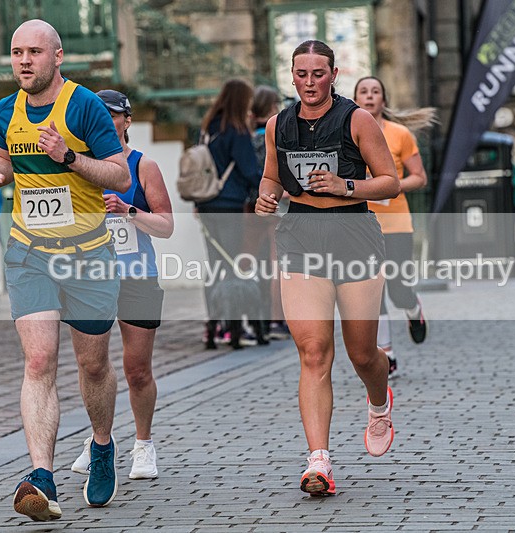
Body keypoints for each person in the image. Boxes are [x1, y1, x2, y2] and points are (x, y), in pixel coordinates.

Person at [0, 19, 130, 521]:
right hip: (30, 251)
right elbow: (5, 159)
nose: (24, 61)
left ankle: (103, 443)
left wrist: (68, 157)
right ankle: (41, 477)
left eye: (34, 53)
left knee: (92, 366)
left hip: (87, 252)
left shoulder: (84, 106)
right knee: (39, 362)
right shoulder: (6, 109)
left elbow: (119, 173)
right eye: (17, 52)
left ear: (57, 57)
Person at [255, 40, 400, 496]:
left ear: (334, 74)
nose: (310, 82)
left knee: (362, 354)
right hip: (300, 236)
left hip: (354, 233)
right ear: (292, 75)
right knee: (314, 351)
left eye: (319, 74)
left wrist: (344, 184)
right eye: (302, 74)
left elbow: (390, 183)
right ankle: (319, 459)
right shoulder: (277, 125)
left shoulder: (357, 119)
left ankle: (379, 402)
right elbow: (272, 176)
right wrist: (267, 196)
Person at [70, 89, 174, 480]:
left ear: (127, 121)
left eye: (112, 115)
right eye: (97, 114)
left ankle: (144, 445)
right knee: (92, 365)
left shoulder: (142, 165)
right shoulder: (78, 164)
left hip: (137, 277)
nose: (105, 121)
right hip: (90, 277)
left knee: (137, 369)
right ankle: (100, 440)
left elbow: (166, 226)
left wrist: (129, 211)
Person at [353, 76, 431, 377]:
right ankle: (386, 354)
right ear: (355, 99)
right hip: (362, 225)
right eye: (363, 92)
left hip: (397, 222)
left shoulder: (399, 134)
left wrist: (392, 187)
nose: (370, 96)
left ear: (383, 100)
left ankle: (413, 309)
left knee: (398, 288)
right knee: (374, 290)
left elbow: (419, 177)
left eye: (375, 92)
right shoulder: (350, 134)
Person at [194, 79, 262, 347]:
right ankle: (233, 328)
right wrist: (270, 188)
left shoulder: (208, 128)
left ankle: (214, 323)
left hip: (206, 203)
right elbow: (249, 169)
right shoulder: (236, 130)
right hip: (230, 204)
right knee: (234, 264)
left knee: (214, 266)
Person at [247, 85, 289, 340]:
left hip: (251, 207)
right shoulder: (276, 135)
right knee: (277, 266)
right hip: (276, 206)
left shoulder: (248, 138)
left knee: (252, 264)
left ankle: (255, 319)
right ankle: (276, 319)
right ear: (273, 106)